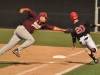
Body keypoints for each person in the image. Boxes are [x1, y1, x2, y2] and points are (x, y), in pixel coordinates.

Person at [0, 8, 65, 57]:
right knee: (31, 40)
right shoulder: (35, 17)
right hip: (21, 29)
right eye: (45, 18)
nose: (46, 19)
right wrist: (23, 9)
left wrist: (63, 30)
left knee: (9, 45)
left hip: (22, 33)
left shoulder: (43, 24)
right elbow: (29, 10)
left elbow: (53, 28)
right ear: (41, 16)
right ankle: (17, 50)